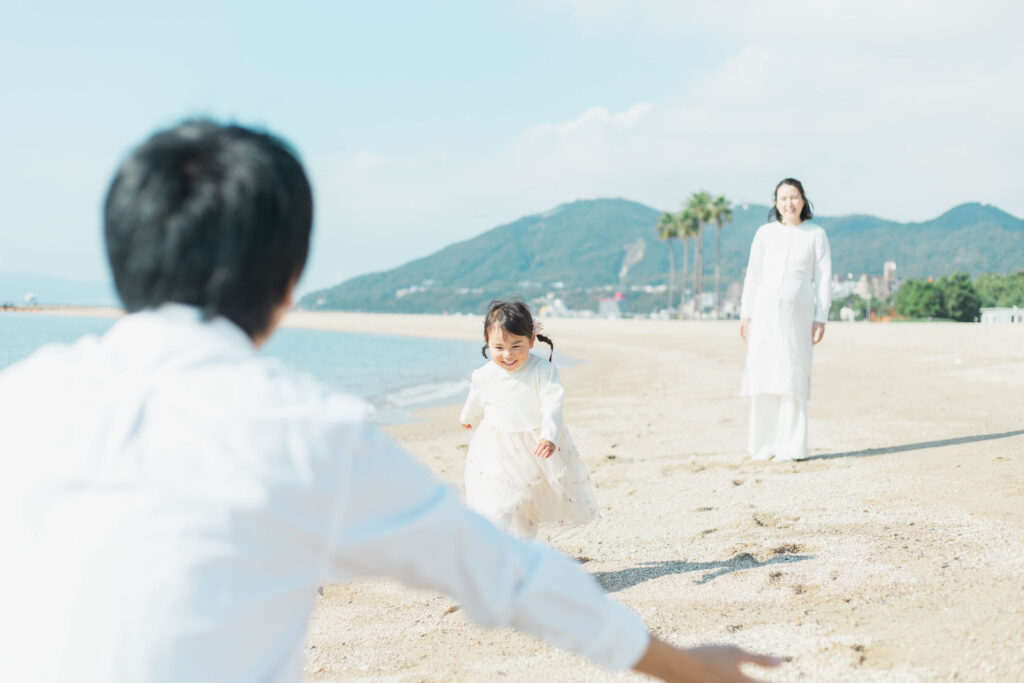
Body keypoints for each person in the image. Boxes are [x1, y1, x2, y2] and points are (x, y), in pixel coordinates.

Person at [0, 119, 778, 682]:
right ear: (289, 278)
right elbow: (503, 572)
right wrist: (685, 666)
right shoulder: (302, 430)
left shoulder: (20, 399)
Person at [459, 300, 600, 539]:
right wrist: (467, 417)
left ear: (531, 341)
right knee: (498, 503)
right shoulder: (484, 375)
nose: (508, 354)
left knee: (528, 507)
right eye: (499, 347)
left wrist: (549, 435)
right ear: (487, 342)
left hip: (534, 449)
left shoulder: (542, 370)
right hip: (496, 447)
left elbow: (553, 403)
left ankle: (526, 551)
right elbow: (477, 398)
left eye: (517, 345)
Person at [738, 178, 832, 462]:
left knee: (792, 373)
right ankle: (763, 444)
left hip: (799, 313)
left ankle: (791, 447)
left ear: (803, 200)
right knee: (764, 372)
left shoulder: (816, 234)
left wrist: (821, 317)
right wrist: (746, 313)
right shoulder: (764, 234)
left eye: (794, 197)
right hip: (764, 311)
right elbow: (753, 275)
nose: (789, 203)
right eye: (783, 198)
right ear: (776, 203)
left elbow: (824, 279)